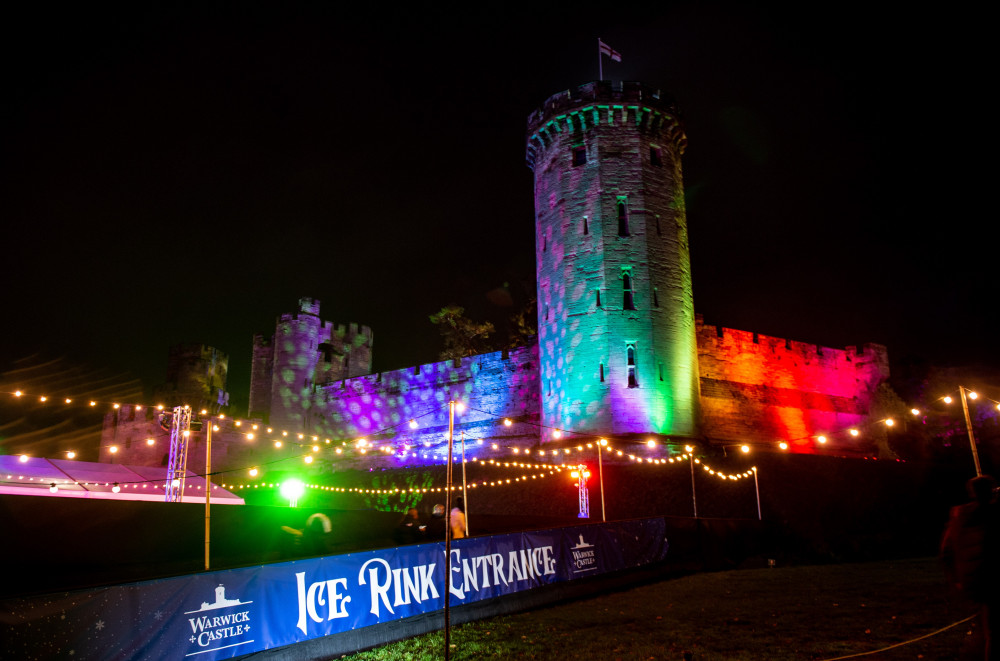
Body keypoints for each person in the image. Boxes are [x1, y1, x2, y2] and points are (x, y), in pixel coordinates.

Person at [941, 474, 998, 660]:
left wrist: (957, 578)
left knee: (987, 628)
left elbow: (947, 551)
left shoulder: (960, 516)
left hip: (974, 581)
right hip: (991, 578)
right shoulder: (991, 514)